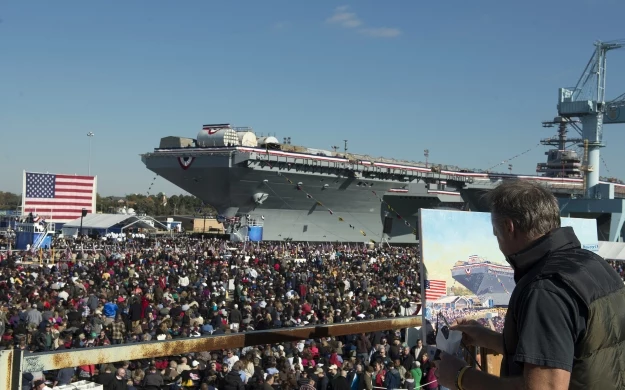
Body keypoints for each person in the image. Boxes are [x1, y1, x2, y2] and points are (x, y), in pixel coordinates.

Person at [435, 180, 625, 390]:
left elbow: (545, 387)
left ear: (509, 227)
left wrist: (461, 377)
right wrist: (490, 338)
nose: (498, 242)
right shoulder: (597, 265)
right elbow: (572, 350)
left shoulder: (544, 289)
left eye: (496, 233)